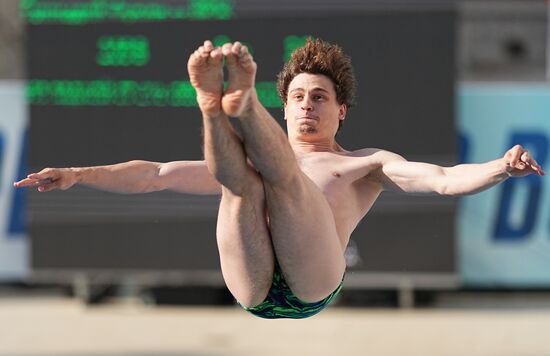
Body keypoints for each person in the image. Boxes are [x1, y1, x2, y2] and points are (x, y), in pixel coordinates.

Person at [15, 38, 544, 319]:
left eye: (320, 98)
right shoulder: (249, 162)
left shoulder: (366, 162)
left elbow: (445, 180)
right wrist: (78, 174)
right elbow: (154, 175)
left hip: (314, 283)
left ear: (343, 112)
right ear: (284, 110)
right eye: (297, 98)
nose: (308, 107)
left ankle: (233, 105)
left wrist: (502, 166)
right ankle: (213, 106)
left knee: (283, 177)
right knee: (241, 183)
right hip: (251, 288)